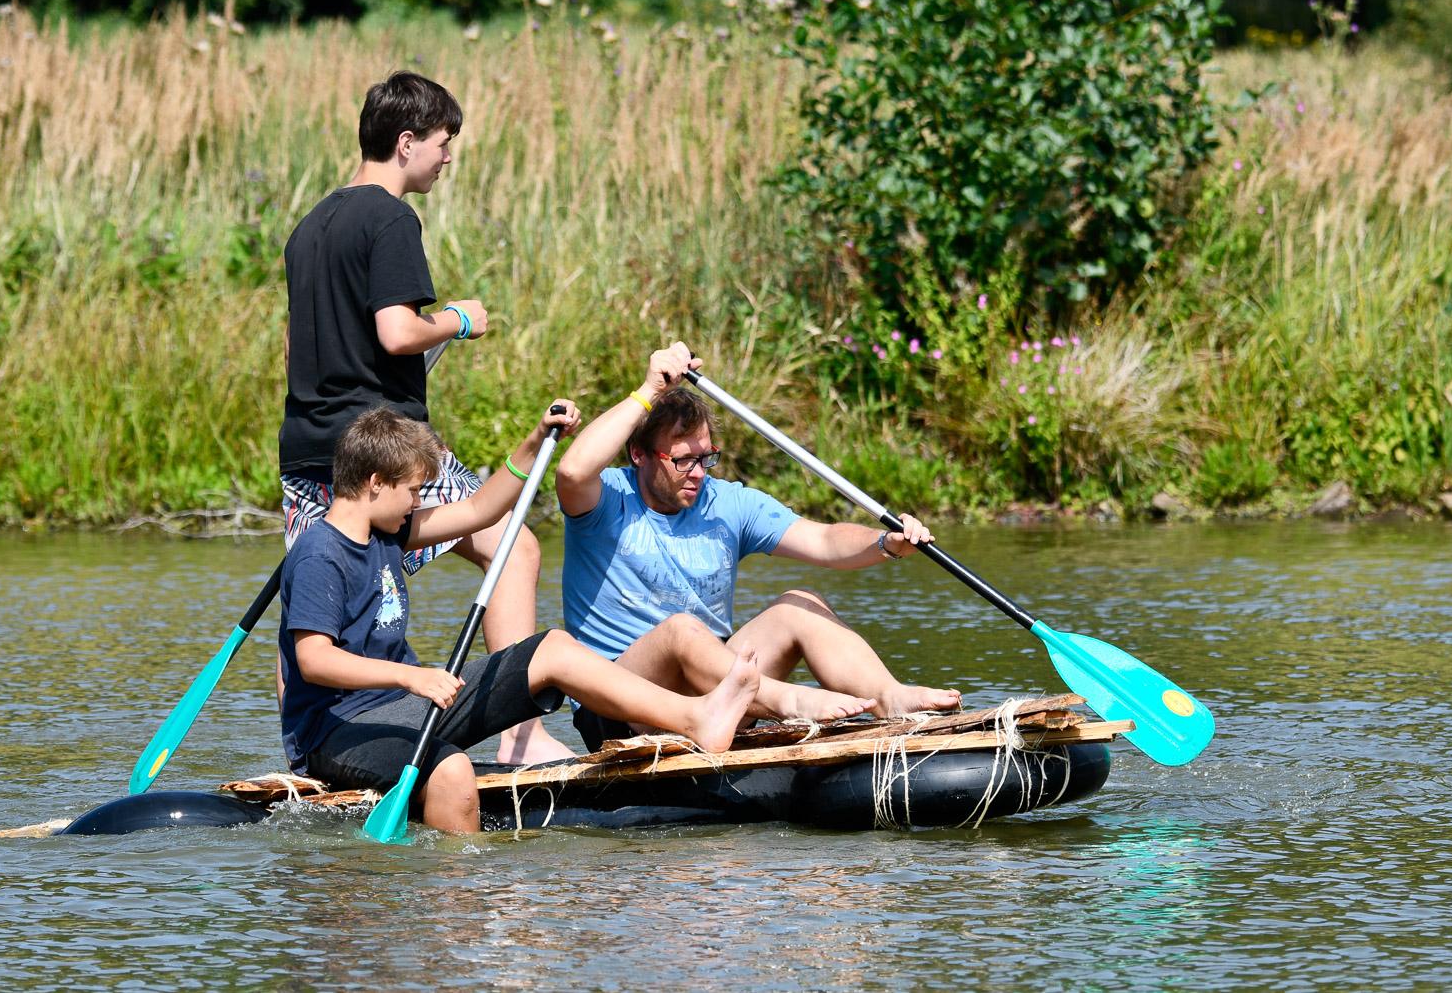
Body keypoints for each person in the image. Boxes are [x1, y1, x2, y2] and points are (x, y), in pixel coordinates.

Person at [280, 405, 762, 833]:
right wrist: (412, 677)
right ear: (375, 483)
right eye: (412, 491)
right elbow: (314, 660)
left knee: (551, 648)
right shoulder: (320, 555)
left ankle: (696, 718)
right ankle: (459, 894)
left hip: (404, 706)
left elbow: (480, 508)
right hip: (337, 730)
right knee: (452, 771)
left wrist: (537, 439)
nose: (416, 502)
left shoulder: (388, 532)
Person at [278, 69, 572, 765]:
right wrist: (459, 320)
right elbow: (397, 331)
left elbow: (293, 347)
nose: (447, 158)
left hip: (308, 448)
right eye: (443, 143)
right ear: (406, 142)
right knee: (514, 547)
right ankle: (520, 735)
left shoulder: (308, 226)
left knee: (315, 598)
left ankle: (309, 751)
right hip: (380, 448)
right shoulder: (390, 218)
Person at [554, 342, 962, 752]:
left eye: (706, 458)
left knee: (799, 604)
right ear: (639, 454)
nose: (697, 474)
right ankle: (789, 701)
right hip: (619, 707)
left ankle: (888, 696)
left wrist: (885, 543)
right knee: (680, 630)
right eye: (682, 460)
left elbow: (823, 540)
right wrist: (649, 391)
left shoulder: (727, 502)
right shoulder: (606, 499)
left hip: (716, 691)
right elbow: (571, 471)